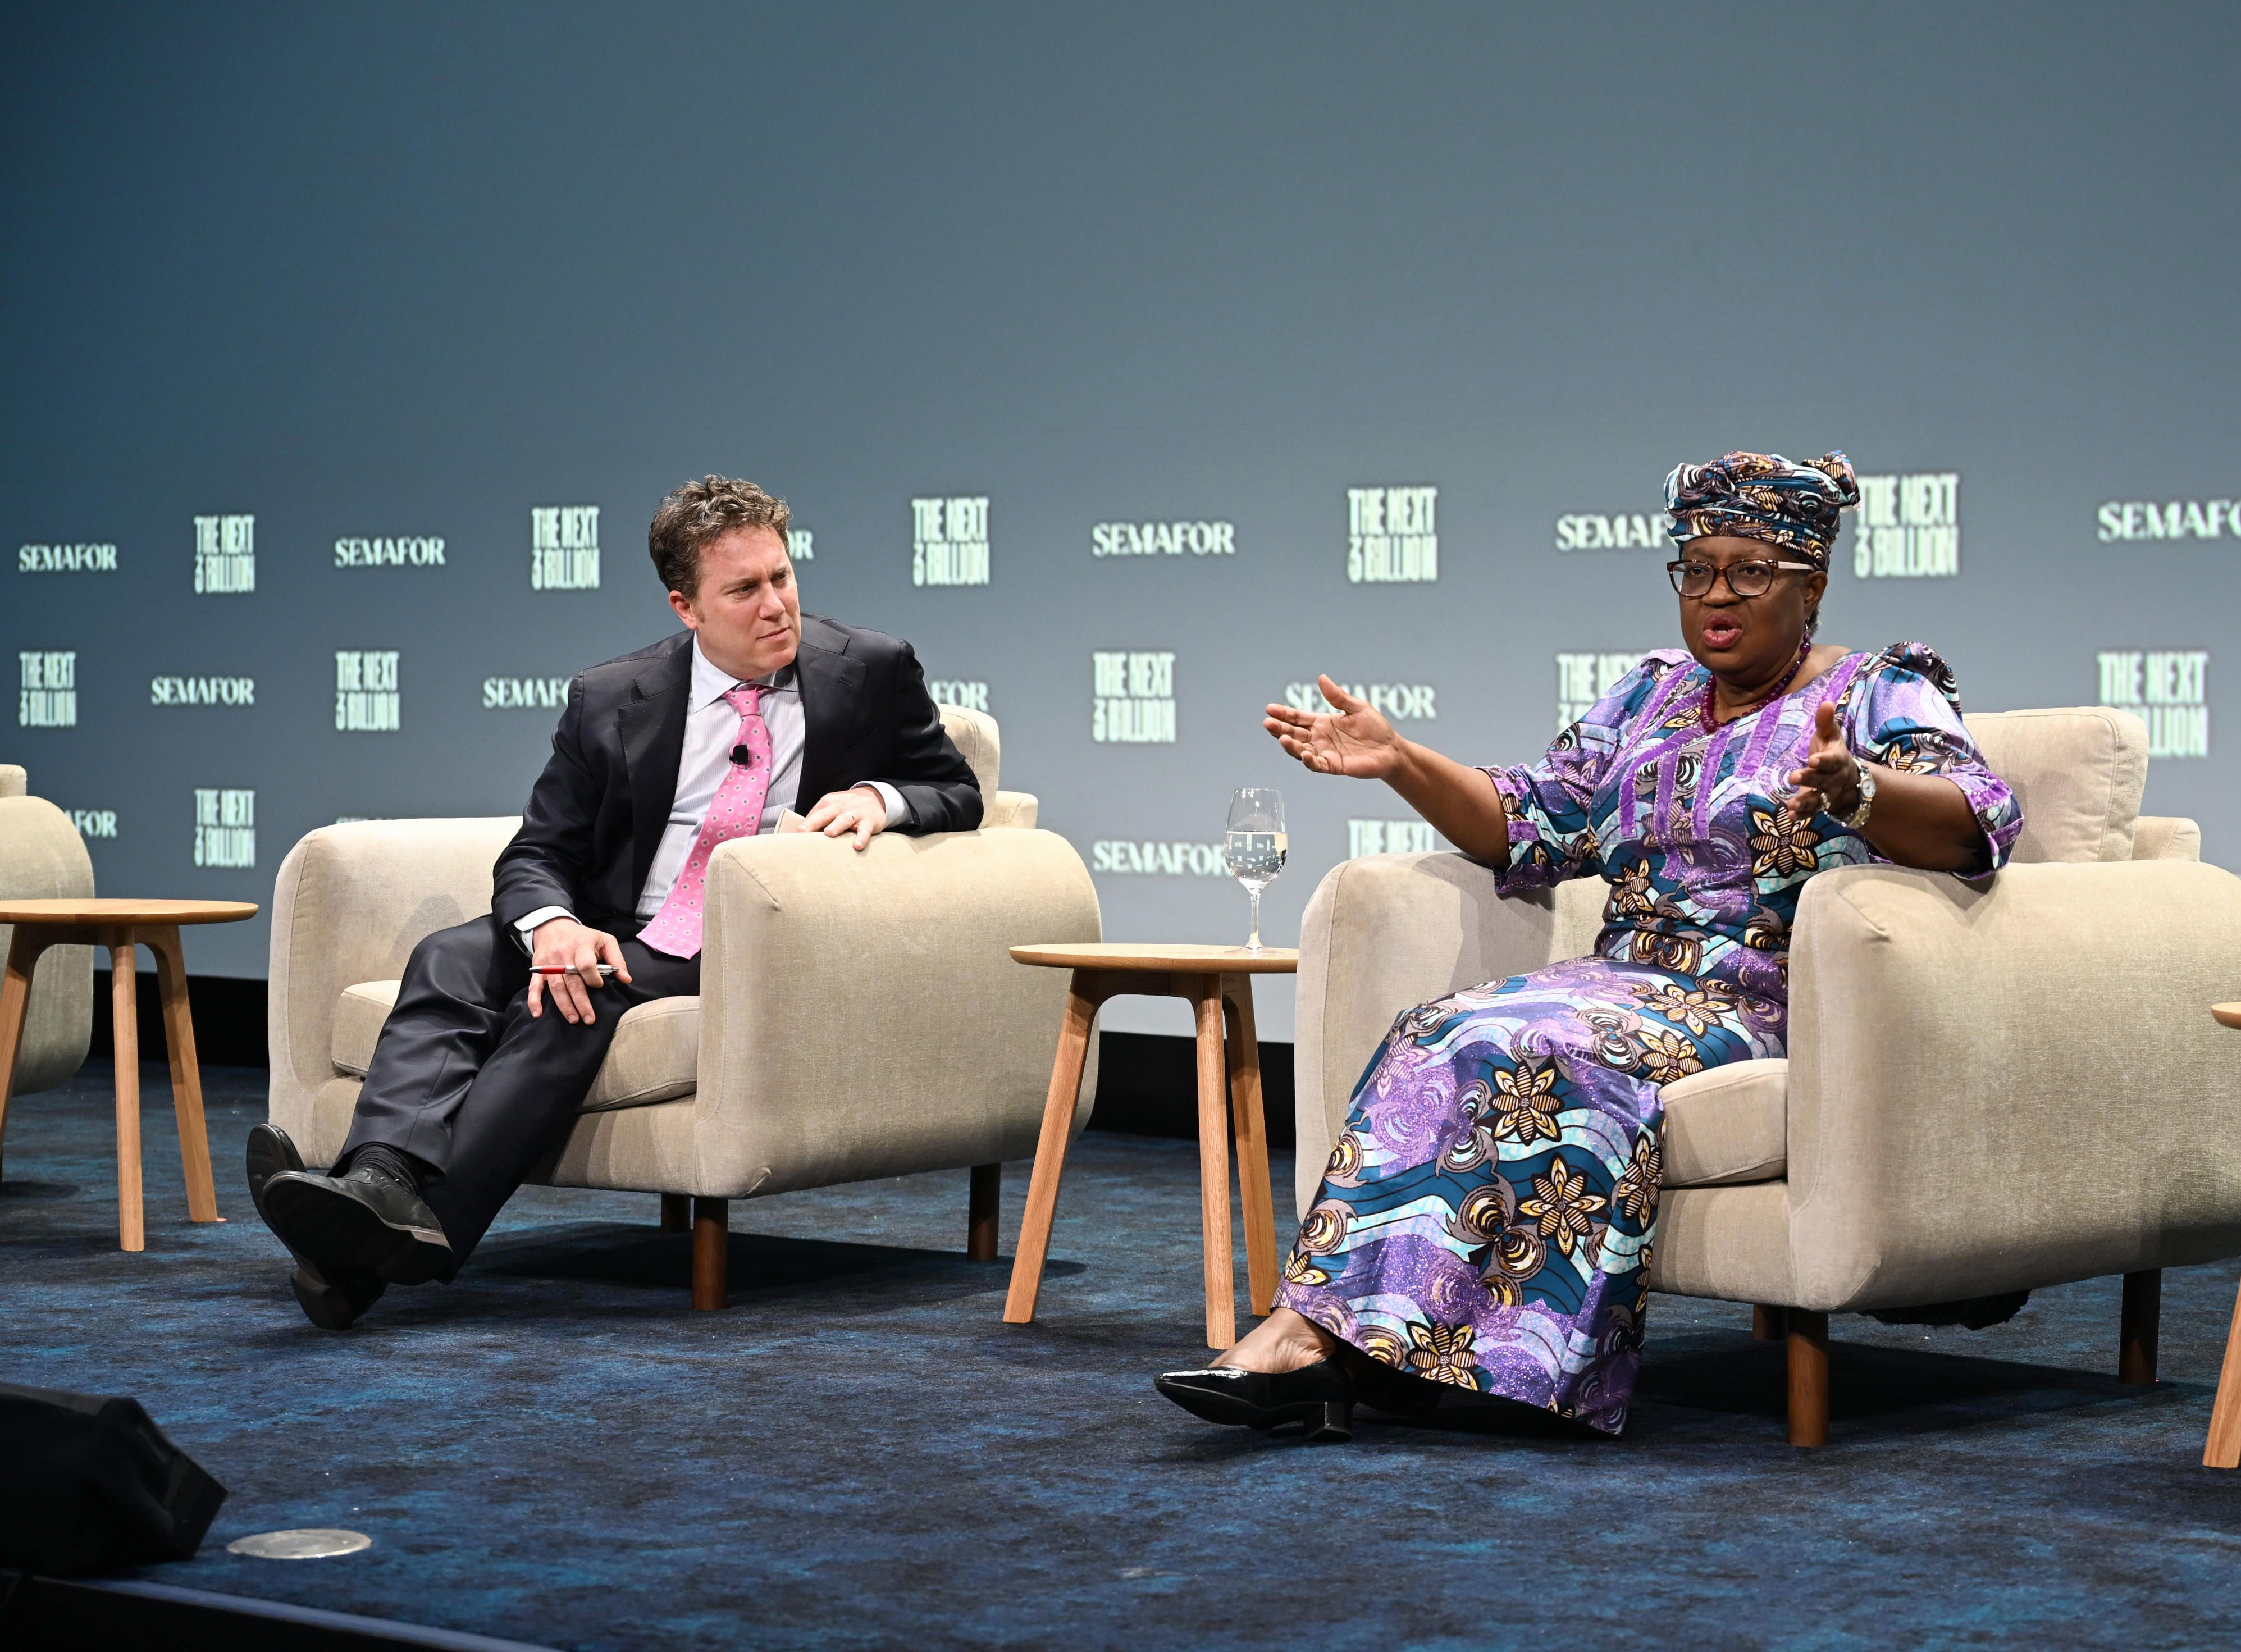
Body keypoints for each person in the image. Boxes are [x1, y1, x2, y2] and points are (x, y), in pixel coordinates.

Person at [1156, 451, 2024, 1440]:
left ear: (1812, 583)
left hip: (1763, 996)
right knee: (1442, 1026)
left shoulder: (1878, 691)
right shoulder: (1648, 694)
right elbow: (1524, 821)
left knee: (1553, 1045)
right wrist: (1401, 762)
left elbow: (1977, 821)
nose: (1717, 597)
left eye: (1749, 572)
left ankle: (1377, 1356)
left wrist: (1856, 789)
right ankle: (1334, 1342)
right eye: (1695, 570)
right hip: (1621, 977)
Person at [246, 476, 982, 1329]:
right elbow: (538, 850)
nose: (777, 605)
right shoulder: (611, 697)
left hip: (735, 936)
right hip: (619, 920)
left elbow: (954, 788)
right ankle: (379, 1182)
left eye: (783, 576)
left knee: (571, 998)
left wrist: (883, 798)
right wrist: (555, 923)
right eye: (744, 590)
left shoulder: (871, 670)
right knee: (451, 954)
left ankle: (375, 1245)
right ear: (686, 606)